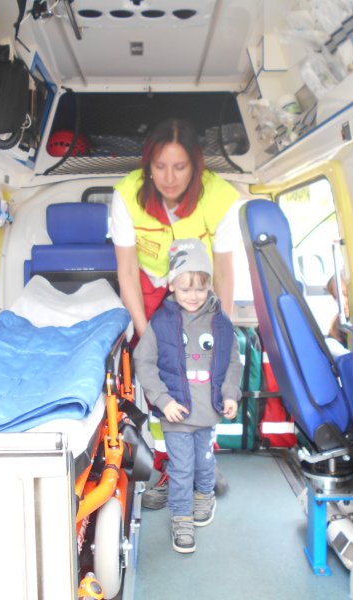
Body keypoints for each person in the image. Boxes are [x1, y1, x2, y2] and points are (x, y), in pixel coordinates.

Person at [110, 118, 243, 508]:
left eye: (180, 167)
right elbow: (127, 271)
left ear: (196, 166)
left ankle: (204, 462)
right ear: (148, 166)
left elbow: (225, 272)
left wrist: (222, 329)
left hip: (199, 293)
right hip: (151, 291)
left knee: (204, 378)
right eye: (160, 166)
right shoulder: (127, 195)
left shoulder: (221, 198)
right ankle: (169, 465)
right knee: (163, 382)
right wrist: (145, 334)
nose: (169, 178)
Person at [133, 238, 242, 553]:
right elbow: (143, 361)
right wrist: (163, 400)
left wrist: (230, 395)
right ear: (171, 286)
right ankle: (181, 518)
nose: (193, 295)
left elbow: (233, 361)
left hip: (208, 411)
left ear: (209, 285)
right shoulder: (162, 322)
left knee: (204, 462)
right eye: (185, 288)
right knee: (181, 468)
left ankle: (204, 495)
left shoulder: (220, 322)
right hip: (176, 411)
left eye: (200, 288)